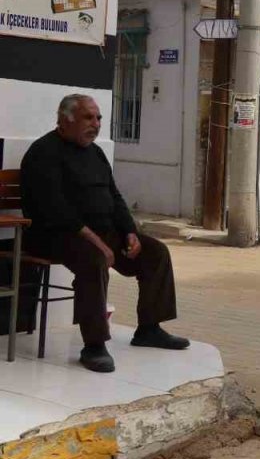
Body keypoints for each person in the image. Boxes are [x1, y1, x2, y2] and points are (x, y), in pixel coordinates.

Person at [21, 95, 188, 373]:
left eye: (98, 118)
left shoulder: (95, 153)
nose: (96, 124)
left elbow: (114, 197)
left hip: (100, 233)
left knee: (156, 252)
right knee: (94, 259)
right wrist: (97, 241)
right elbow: (55, 209)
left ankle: (149, 328)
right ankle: (94, 345)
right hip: (55, 236)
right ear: (65, 121)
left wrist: (130, 232)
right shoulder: (44, 152)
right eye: (89, 118)